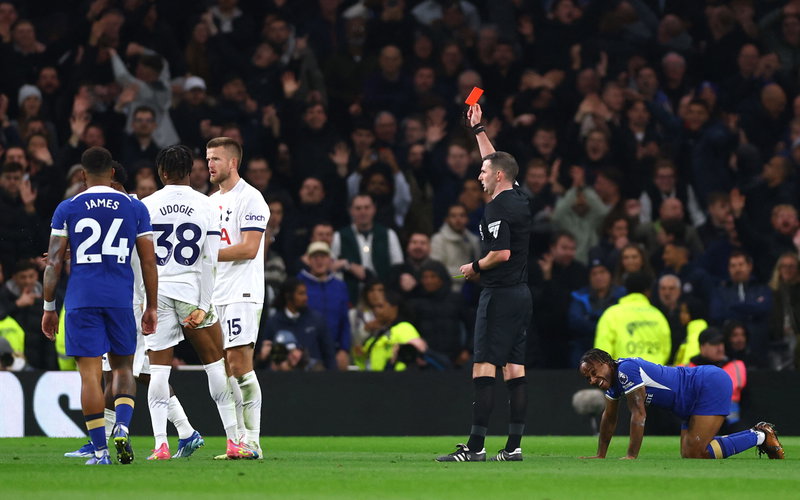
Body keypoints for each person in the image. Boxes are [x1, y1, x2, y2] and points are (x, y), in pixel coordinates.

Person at [41, 147, 158, 465]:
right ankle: (121, 424)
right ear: (112, 174)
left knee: (90, 376)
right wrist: (151, 306)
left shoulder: (69, 207)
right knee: (122, 368)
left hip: (82, 300)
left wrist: (49, 306)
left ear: (82, 175)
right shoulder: (135, 208)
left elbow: (53, 262)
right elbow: (149, 261)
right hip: (120, 300)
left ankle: (100, 450)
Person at [142, 145, 253, 460]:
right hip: (193, 293)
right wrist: (204, 304)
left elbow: (142, 261)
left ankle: (161, 444)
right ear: (191, 171)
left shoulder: (147, 207)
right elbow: (209, 261)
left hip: (160, 293)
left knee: (159, 372)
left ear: (162, 172)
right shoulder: (207, 206)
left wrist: (144, 302)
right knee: (215, 365)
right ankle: (233, 441)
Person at [437, 103, 532, 463]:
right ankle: (514, 447)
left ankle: (475, 448)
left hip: (500, 294)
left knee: (484, 366)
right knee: (516, 367)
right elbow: (497, 160)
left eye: (482, 172)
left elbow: (501, 254)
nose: (479, 176)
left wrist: (473, 266)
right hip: (522, 294)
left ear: (497, 178)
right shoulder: (519, 198)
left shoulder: (496, 208)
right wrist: (478, 130)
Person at [577, 348, 783, 459]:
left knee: (697, 451)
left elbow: (639, 415)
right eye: (588, 378)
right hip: (688, 400)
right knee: (691, 453)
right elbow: (609, 417)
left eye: (594, 372)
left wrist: (631, 456)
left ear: (606, 361)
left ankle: (761, 436)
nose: (593, 380)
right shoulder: (613, 384)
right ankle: (758, 435)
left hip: (705, 384)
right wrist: (600, 455)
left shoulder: (626, 370)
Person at [207, 136, 270, 459]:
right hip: (218, 293)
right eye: (207, 159)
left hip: (243, 291)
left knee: (240, 364)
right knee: (228, 368)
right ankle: (240, 441)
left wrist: (206, 255)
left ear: (232, 162)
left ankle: (253, 441)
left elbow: (249, 248)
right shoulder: (210, 201)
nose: (209, 165)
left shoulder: (251, 198)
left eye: (215, 159)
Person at [594, 272, 672, 365]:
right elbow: (666, 348)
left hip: (623, 375)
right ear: (648, 291)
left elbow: (602, 350)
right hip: (655, 374)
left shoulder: (611, 314)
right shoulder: (657, 315)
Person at [297, 241, 351, 370]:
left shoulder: (340, 286)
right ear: (308, 260)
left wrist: (344, 349)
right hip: (307, 352)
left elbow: (345, 320)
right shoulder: (299, 283)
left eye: (323, 257)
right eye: (315, 257)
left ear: (330, 260)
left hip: (335, 350)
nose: (319, 261)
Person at [688, 328, 747, 428]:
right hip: (696, 420)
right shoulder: (688, 368)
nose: (720, 348)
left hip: (730, 423)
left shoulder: (735, 365)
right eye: (714, 344)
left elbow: (729, 389)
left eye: (721, 344)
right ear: (702, 347)